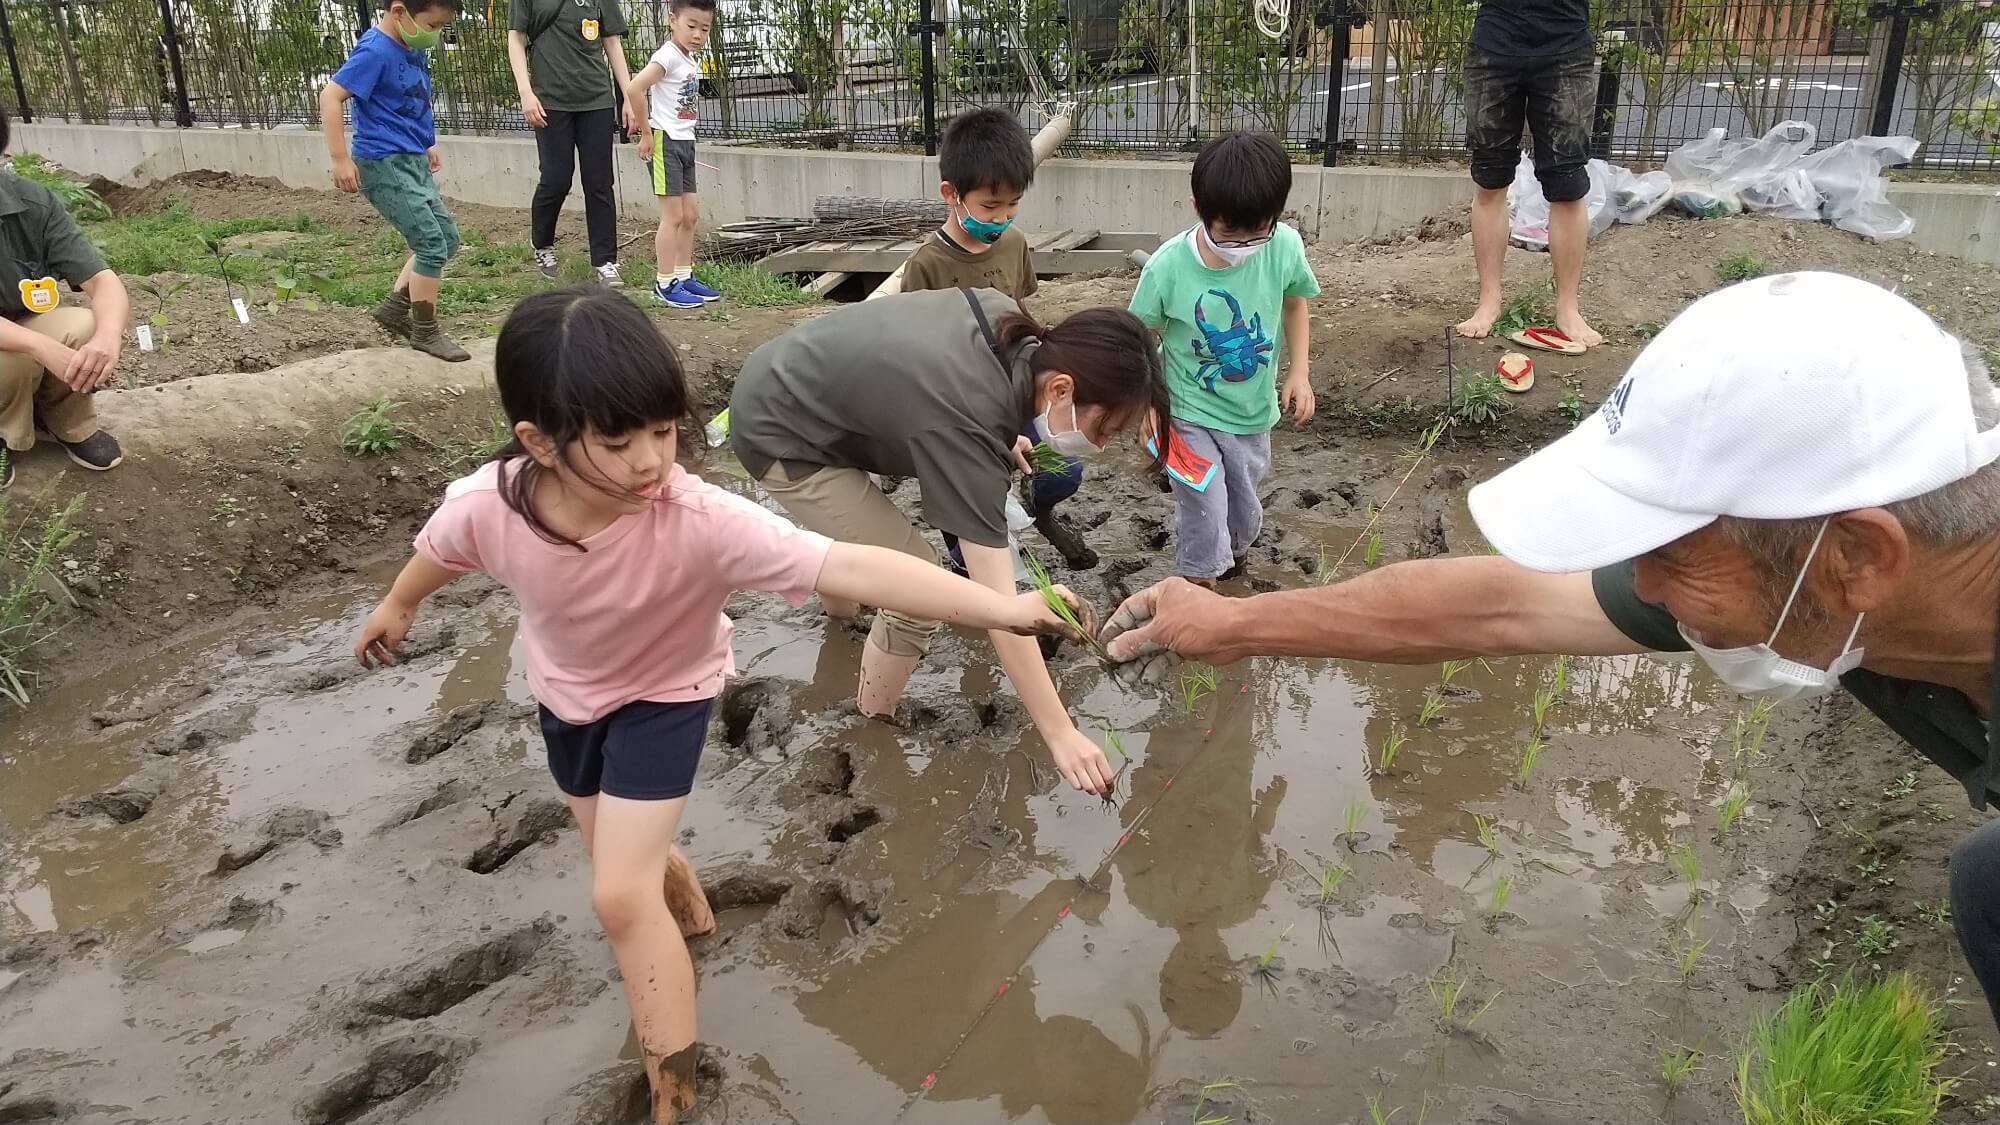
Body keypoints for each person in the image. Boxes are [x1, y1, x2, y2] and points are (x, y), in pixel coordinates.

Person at [1099, 272, 2000, 1031]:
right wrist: (1234, 621)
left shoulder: (1817, 569)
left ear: (1861, 557)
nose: (1641, 587)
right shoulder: (1837, 580)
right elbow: (1500, 606)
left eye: (1672, 553)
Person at [351, 287, 1092, 1122]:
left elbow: (851, 567)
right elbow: (438, 550)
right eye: (618, 440)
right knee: (628, 865)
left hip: (667, 697)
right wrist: (398, 604)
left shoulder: (697, 517)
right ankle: (691, 911)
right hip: (566, 699)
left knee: (617, 895)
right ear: (539, 443)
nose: (648, 462)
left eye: (664, 432)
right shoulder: (491, 504)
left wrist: (1003, 606)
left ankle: (673, 1089)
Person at [727, 288, 1170, 795]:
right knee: (918, 587)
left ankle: (840, 617)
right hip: (777, 430)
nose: (1102, 443)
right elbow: (1003, 609)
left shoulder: (1008, 320)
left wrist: (1003, 433)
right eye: (1105, 428)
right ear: (1063, 389)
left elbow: (939, 392)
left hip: (798, 378)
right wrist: (1060, 732)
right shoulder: (967, 429)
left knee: (865, 554)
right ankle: (873, 723)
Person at [895, 108, 1094, 570]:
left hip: (1012, 390)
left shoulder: (1013, 243)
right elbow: (919, 350)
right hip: (957, 403)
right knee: (969, 491)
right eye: (990, 206)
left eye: (1013, 206)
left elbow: (1021, 310)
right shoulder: (927, 265)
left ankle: (1040, 510)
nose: (1002, 218)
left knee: (1065, 469)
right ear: (952, 195)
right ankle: (964, 560)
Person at [1129, 131, 1318, 587]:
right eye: (1230, 233)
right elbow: (1136, 337)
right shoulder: (1166, 267)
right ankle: (1199, 584)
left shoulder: (1284, 246)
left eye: (1259, 231)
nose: (1245, 245)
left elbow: (1295, 302)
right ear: (1199, 207)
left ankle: (1229, 557)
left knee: (1242, 506)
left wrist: (1300, 372)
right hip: (1186, 410)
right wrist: (1148, 407)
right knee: (1203, 499)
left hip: (1252, 412)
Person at [320, 0, 471, 362]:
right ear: (399, 12)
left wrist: (427, 141)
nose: (434, 35)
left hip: (411, 159)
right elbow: (330, 95)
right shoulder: (375, 51)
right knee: (431, 244)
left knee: (446, 240)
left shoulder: (410, 45)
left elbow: (412, 98)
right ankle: (425, 331)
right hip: (384, 162)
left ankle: (393, 310)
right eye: (432, 25)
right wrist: (340, 159)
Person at [1454, 0, 1601, 348]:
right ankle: (1488, 301)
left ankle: (1568, 308)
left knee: (1567, 185)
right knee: (1489, 181)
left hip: (1566, 46)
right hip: (1495, 43)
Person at [0, 108, 128, 490]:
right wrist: (38, 346)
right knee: (14, 363)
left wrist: (109, 336)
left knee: (84, 326)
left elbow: (103, 282)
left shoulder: (32, 203)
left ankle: (65, 422)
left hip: (19, 325)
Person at [507, 0, 634, 285]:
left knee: (599, 182)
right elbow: (516, 38)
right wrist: (525, 92)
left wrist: (629, 96)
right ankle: (542, 243)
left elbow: (612, 43)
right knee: (556, 179)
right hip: (550, 101)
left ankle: (605, 261)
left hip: (596, 100)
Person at [626, 0, 719, 311]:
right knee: (674, 216)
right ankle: (664, 283)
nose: (697, 34)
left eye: (704, 29)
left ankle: (683, 275)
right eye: (691, 26)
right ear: (672, 21)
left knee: (690, 215)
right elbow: (635, 88)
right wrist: (646, 133)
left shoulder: (688, 58)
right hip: (665, 141)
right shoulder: (666, 56)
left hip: (685, 141)